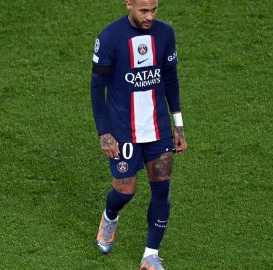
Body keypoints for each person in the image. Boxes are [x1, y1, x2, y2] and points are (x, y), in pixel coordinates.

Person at [90, 0, 187, 269]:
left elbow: (170, 78)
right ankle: (110, 217)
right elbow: (97, 87)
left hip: (158, 130)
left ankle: (150, 254)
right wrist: (104, 133)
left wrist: (178, 125)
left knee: (162, 188)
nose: (150, 16)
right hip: (123, 132)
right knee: (124, 192)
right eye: (144, 10)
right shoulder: (110, 37)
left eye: (154, 10)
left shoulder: (165, 33)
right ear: (128, 5)